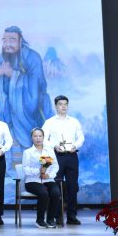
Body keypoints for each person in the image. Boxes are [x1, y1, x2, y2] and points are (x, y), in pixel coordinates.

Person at [0, 26, 52, 157]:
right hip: (9, 111)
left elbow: (35, 87)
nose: (7, 44)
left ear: (20, 41)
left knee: (32, 151)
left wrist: (13, 75)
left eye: (12, 40)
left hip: (30, 111)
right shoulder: (4, 56)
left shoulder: (32, 57)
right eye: (5, 40)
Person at [41, 95, 85, 225]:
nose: (63, 106)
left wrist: (75, 146)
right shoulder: (49, 122)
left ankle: (72, 216)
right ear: (56, 106)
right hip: (56, 156)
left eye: (65, 104)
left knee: (73, 187)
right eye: (60, 104)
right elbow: (43, 139)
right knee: (56, 188)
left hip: (71, 156)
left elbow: (81, 137)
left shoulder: (74, 121)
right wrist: (54, 146)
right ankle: (57, 216)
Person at [22, 128, 62, 228]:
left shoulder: (49, 151)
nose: (38, 138)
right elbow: (25, 169)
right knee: (44, 193)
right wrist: (39, 171)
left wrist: (48, 175)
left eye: (40, 136)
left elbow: (55, 166)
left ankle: (50, 219)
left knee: (56, 192)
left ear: (43, 137)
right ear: (31, 138)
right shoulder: (28, 152)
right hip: (32, 181)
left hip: (47, 179)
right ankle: (39, 220)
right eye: (35, 136)